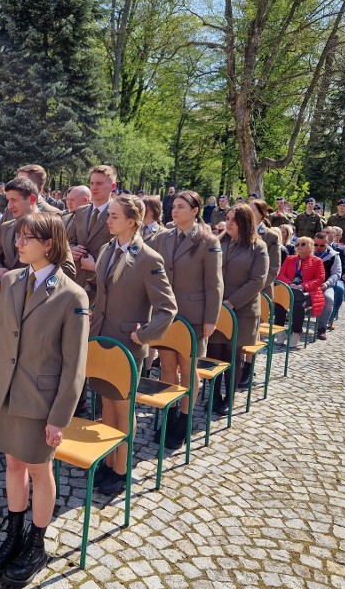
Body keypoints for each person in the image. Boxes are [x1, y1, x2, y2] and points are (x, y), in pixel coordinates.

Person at [0, 213, 89, 585]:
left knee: (40, 470)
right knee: (12, 465)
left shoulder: (72, 295)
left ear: (49, 245)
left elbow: (75, 365)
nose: (18, 244)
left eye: (27, 239)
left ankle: (37, 544)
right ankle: (14, 535)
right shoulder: (9, 281)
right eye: (19, 238)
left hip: (41, 401)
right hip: (5, 393)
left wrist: (60, 417)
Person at [88, 196, 176, 495]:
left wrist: (145, 335)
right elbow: (96, 287)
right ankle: (110, 460)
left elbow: (167, 308)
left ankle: (122, 469)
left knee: (123, 409)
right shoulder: (106, 250)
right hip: (101, 340)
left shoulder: (149, 258)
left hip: (127, 343)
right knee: (108, 404)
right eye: (108, 215)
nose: (108, 220)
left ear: (131, 221)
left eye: (113, 216)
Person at [153, 190, 222, 447]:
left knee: (188, 367)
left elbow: (214, 284)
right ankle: (169, 412)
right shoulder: (163, 237)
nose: (175, 209)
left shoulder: (207, 241)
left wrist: (210, 319)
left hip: (193, 315)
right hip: (166, 313)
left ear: (195, 211)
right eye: (174, 206)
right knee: (167, 365)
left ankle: (185, 417)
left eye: (182, 206)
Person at [208, 205, 268, 415]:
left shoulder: (257, 247)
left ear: (245, 222)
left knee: (232, 354)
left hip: (241, 310)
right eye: (228, 218)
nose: (229, 223)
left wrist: (231, 303)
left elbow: (257, 280)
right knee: (214, 352)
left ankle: (229, 398)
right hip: (217, 307)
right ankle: (214, 394)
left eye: (234, 219)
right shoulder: (219, 242)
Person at [0, 177, 76, 283]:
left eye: (14, 200)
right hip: (9, 296)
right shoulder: (5, 227)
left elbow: (68, 270)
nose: (10, 206)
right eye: (8, 201)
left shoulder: (51, 226)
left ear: (32, 199)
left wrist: (31, 278)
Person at [68, 165, 117, 288]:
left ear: (113, 187)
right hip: (76, 279)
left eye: (99, 183)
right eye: (92, 183)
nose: (94, 188)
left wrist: (97, 266)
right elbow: (71, 240)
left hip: (102, 284)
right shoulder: (80, 212)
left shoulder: (118, 214)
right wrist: (71, 249)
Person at [274, 237, 326, 348]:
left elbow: (320, 279)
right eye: (297, 244)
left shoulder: (317, 261)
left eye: (303, 244)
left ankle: (296, 333)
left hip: (309, 292)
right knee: (279, 303)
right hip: (290, 289)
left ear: (311, 246)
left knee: (298, 306)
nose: (299, 246)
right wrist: (289, 283)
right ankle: (280, 332)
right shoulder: (289, 259)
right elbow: (281, 274)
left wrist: (303, 286)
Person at [312, 232, 341, 340]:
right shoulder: (306, 253)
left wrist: (327, 283)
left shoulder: (333, 255)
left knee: (328, 299)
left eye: (322, 245)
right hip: (307, 284)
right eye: (316, 245)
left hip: (325, 285)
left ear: (327, 243)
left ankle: (321, 328)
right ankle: (295, 327)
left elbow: (337, 273)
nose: (318, 248)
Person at [249, 199, 280, 298]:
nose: (248, 213)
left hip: (261, 291)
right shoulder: (240, 232)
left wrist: (255, 287)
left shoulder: (271, 236)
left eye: (252, 210)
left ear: (262, 214)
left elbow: (273, 268)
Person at [324, 226, 345, 329]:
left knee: (339, 289)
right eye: (324, 232)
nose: (325, 234)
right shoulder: (315, 246)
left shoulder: (341, 248)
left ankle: (331, 318)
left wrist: (333, 277)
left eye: (328, 232)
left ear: (334, 235)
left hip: (336, 277)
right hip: (319, 277)